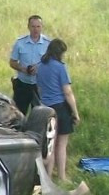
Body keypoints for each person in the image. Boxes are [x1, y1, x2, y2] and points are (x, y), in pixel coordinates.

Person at [34, 38, 81, 183]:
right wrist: (75, 112)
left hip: (45, 108)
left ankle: (46, 177)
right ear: (60, 53)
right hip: (60, 108)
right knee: (61, 144)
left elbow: (39, 88)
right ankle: (62, 176)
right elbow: (67, 92)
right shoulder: (60, 67)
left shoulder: (40, 66)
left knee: (49, 145)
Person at [8, 15, 50, 114]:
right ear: (28, 27)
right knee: (18, 114)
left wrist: (39, 69)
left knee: (40, 115)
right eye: (33, 26)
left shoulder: (48, 44)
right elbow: (12, 62)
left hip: (40, 85)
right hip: (23, 84)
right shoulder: (20, 43)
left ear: (42, 27)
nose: (35, 29)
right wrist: (23, 69)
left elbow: (51, 64)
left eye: (38, 26)